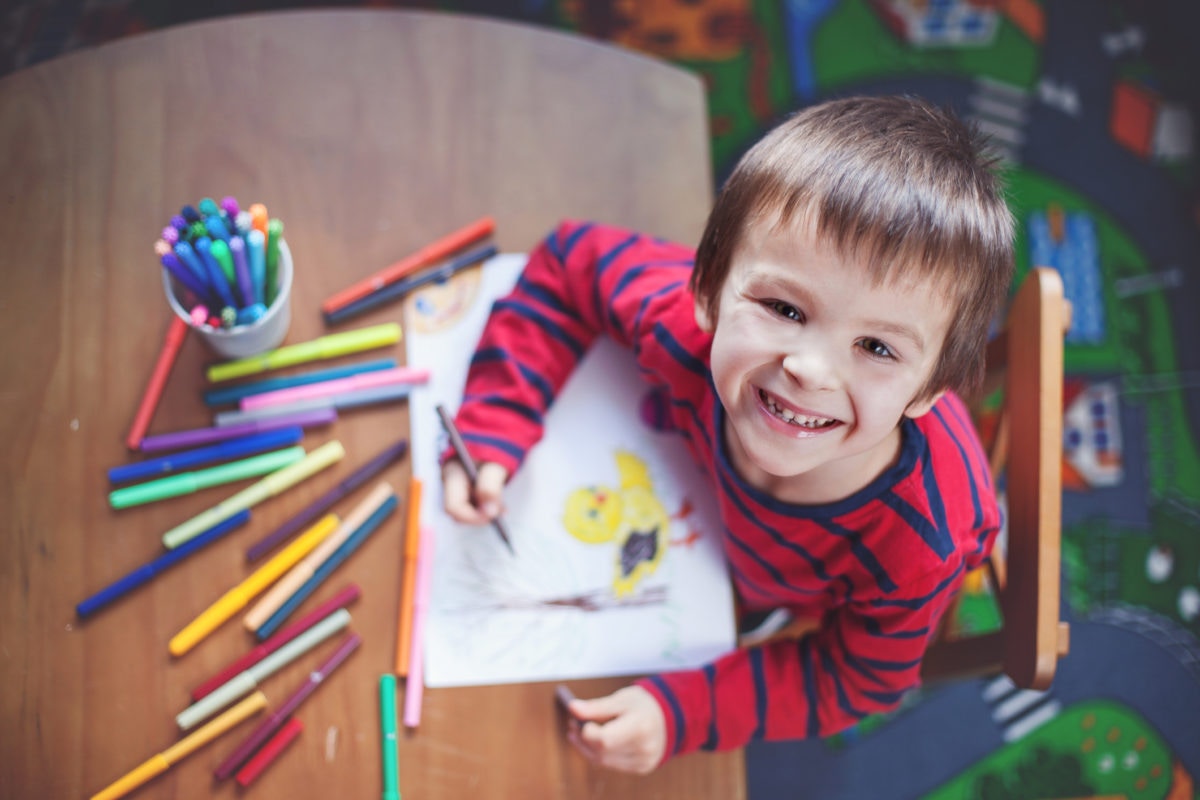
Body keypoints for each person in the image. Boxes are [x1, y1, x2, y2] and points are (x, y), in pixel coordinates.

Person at [441, 94, 1014, 774]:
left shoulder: (920, 545)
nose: (809, 369)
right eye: (783, 308)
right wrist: (492, 426)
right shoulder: (680, 327)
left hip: (780, 595)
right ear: (707, 289)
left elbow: (857, 680)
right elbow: (569, 264)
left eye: (878, 348)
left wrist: (681, 712)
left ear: (928, 391)